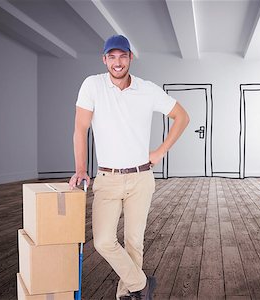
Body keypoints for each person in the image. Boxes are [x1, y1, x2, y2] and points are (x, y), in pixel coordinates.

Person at [69, 35, 189, 300]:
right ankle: (142, 285)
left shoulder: (147, 89)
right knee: (102, 241)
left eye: (122, 56)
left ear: (130, 57)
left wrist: (160, 151)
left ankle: (128, 294)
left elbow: (182, 116)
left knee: (134, 242)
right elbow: (80, 128)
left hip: (140, 178)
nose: (117, 62)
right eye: (111, 57)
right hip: (107, 178)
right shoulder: (93, 85)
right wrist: (80, 167)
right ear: (104, 60)